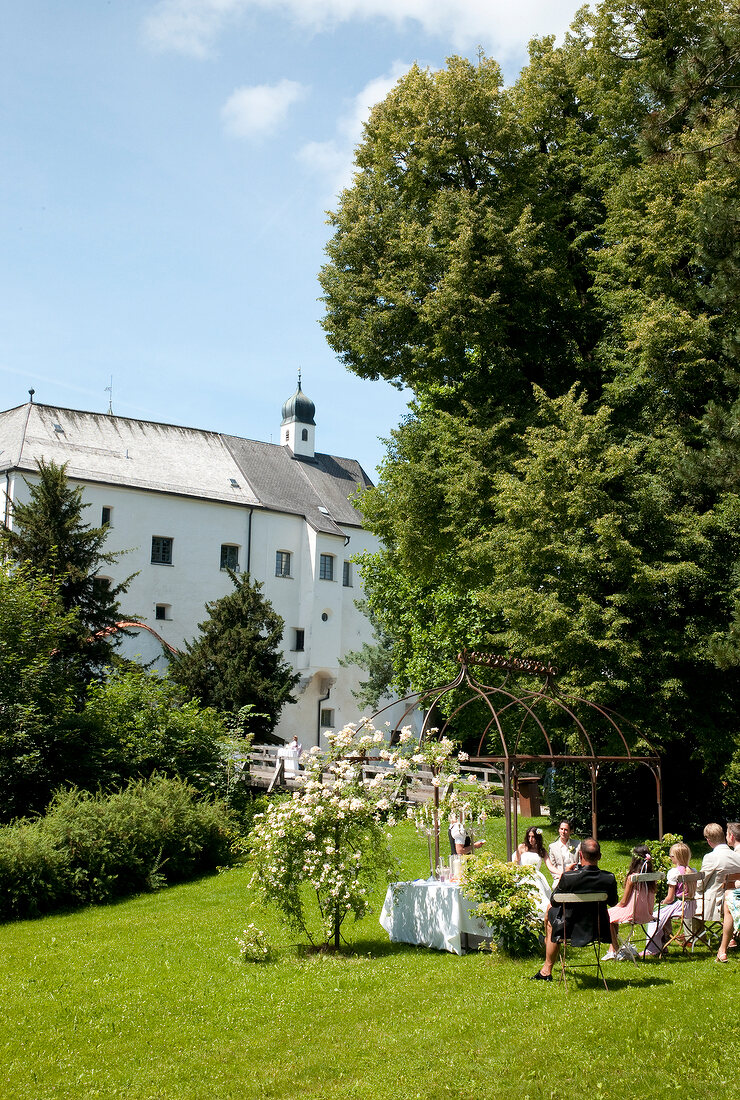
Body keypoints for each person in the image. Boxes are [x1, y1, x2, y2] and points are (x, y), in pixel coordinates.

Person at [531, 838, 618, 981]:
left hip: (568, 929)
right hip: (598, 928)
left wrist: (565, 875)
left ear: (581, 856)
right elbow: (613, 902)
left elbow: (554, 900)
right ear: (600, 856)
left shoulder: (569, 877)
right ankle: (546, 966)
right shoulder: (608, 878)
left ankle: (546, 969)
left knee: (551, 913)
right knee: (551, 911)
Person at [602, 845, 656, 960]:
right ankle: (612, 949)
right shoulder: (652, 877)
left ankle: (615, 950)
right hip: (648, 914)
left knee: (607, 915)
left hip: (633, 913)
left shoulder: (632, 878)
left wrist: (616, 906)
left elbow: (624, 902)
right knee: (613, 916)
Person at [643, 842, 695, 957]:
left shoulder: (674, 873)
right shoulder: (693, 871)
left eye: (671, 856)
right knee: (663, 915)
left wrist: (662, 902)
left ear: (675, 857)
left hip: (679, 906)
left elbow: (670, 898)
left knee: (654, 916)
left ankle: (653, 948)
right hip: (691, 906)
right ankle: (663, 943)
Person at [695, 822, 740, 923]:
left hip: (716, 903)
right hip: (735, 899)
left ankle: (694, 937)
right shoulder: (737, 856)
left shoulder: (711, 857)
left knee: (688, 904)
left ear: (708, 840)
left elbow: (700, 885)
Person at [514, 826, 552, 919]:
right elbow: (515, 862)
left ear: (537, 838)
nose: (531, 839)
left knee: (540, 895)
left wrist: (561, 873)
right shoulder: (522, 847)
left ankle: (541, 916)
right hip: (523, 874)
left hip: (536, 875)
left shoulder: (541, 850)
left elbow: (550, 866)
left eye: (533, 837)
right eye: (529, 837)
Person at [548, 820, 581, 888]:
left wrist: (575, 873)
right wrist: (559, 876)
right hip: (559, 877)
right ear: (559, 830)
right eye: (561, 829)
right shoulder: (552, 847)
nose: (563, 832)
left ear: (570, 831)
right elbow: (552, 867)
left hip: (575, 875)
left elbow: (580, 863)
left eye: (566, 830)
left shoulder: (578, 844)